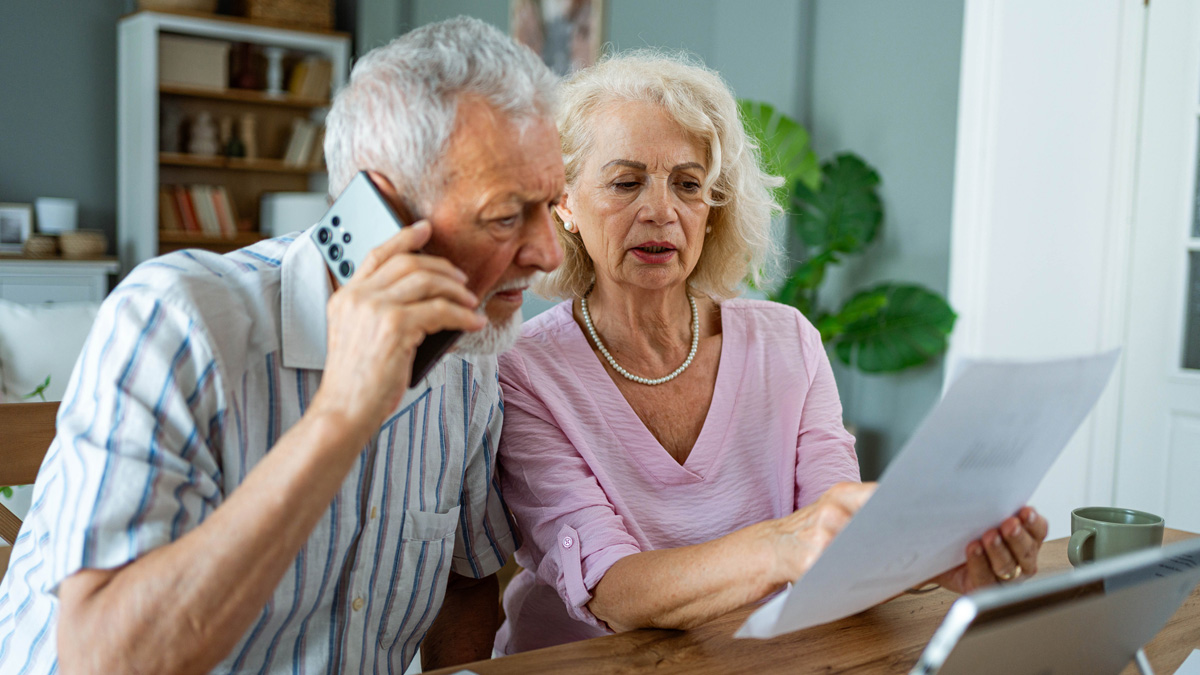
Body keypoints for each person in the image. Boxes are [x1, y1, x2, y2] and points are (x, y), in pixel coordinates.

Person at [0, 17, 564, 674]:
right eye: (505, 216)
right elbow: (103, 658)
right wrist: (341, 415)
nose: (549, 253)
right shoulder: (176, 323)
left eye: (551, 206)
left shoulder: (468, 362)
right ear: (378, 217)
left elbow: (463, 586)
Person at [493, 51, 1050, 654]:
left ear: (714, 209)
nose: (661, 211)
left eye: (688, 185)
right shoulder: (524, 371)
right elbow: (613, 591)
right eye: (626, 183)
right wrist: (783, 546)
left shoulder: (789, 343)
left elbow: (835, 543)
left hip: (758, 659)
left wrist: (941, 558)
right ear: (564, 203)